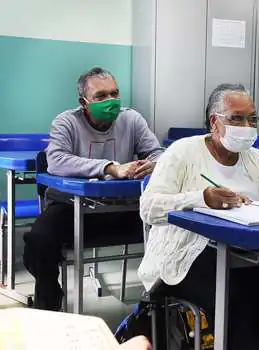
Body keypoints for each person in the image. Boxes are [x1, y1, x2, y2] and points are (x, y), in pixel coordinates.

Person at [138, 84, 259, 350]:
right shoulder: (183, 152)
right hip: (188, 254)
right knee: (237, 298)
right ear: (214, 122)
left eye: (252, 118)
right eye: (237, 118)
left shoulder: (256, 159)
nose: (247, 125)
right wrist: (201, 198)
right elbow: (148, 208)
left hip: (248, 254)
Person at [23, 67, 164, 311]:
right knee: (38, 241)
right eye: (101, 96)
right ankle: (49, 302)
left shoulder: (131, 119)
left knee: (172, 225)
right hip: (70, 208)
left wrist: (153, 165)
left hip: (123, 207)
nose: (110, 101)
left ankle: (160, 306)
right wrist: (110, 167)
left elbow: (158, 154)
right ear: (84, 102)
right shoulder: (66, 122)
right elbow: (55, 159)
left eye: (115, 93)